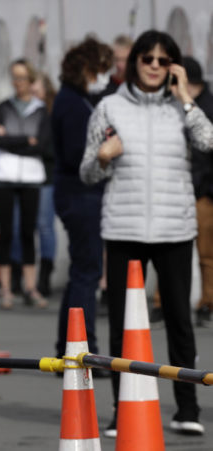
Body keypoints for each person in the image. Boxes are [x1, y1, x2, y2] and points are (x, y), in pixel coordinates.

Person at [80, 30, 213, 436]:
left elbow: (208, 142)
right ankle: (124, 411)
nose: (154, 66)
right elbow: (86, 173)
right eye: (147, 58)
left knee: (179, 322)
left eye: (163, 59)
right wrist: (103, 157)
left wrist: (186, 96)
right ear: (134, 61)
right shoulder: (109, 107)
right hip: (125, 229)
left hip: (174, 229)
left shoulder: (182, 109)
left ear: (172, 65)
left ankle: (187, 409)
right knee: (123, 326)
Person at [51, 38, 113, 369]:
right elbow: (79, 155)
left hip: (76, 193)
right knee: (88, 273)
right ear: (87, 69)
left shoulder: (73, 100)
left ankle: (70, 343)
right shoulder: (73, 104)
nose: (104, 76)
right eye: (101, 69)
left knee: (82, 272)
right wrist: (108, 150)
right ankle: (82, 346)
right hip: (81, 194)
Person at [0, 58, 50, 309]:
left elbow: (44, 144)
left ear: (31, 79)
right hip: (4, 173)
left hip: (31, 176)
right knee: (6, 232)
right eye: (14, 77)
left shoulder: (40, 108)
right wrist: (28, 140)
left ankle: (30, 287)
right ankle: (6, 289)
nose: (18, 82)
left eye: (23, 77)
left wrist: (13, 139)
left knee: (28, 231)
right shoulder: (3, 107)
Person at [10, 71, 57, 297]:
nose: (33, 95)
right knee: (20, 226)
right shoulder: (26, 113)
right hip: (23, 177)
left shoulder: (50, 115)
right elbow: (8, 139)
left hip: (45, 177)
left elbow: (46, 148)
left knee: (44, 225)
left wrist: (25, 144)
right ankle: (18, 276)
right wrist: (26, 143)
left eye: (37, 91)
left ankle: (44, 276)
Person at [183, 56, 213, 328]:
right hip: (181, 189)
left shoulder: (207, 107)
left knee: (206, 253)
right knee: (169, 250)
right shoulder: (176, 104)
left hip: (203, 192)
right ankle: (162, 303)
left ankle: (207, 303)